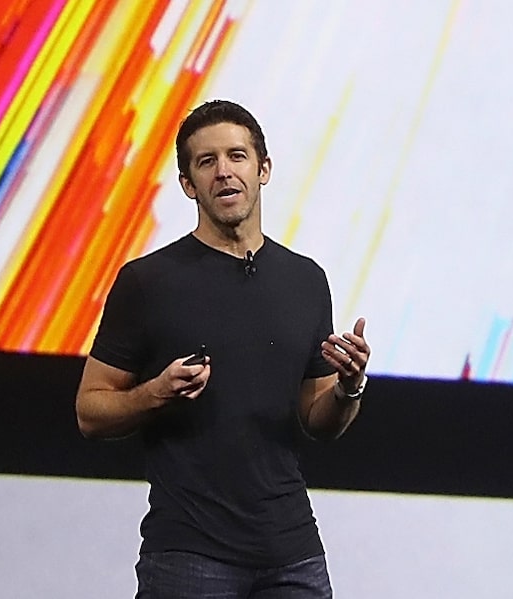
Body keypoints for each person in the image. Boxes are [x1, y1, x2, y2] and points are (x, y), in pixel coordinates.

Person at [75, 99, 370, 598]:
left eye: (237, 156)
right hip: (188, 554)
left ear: (264, 170)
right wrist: (155, 393)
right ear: (188, 184)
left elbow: (319, 421)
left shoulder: (305, 280)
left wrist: (349, 386)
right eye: (206, 162)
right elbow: (90, 411)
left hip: (292, 553)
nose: (224, 172)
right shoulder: (148, 282)